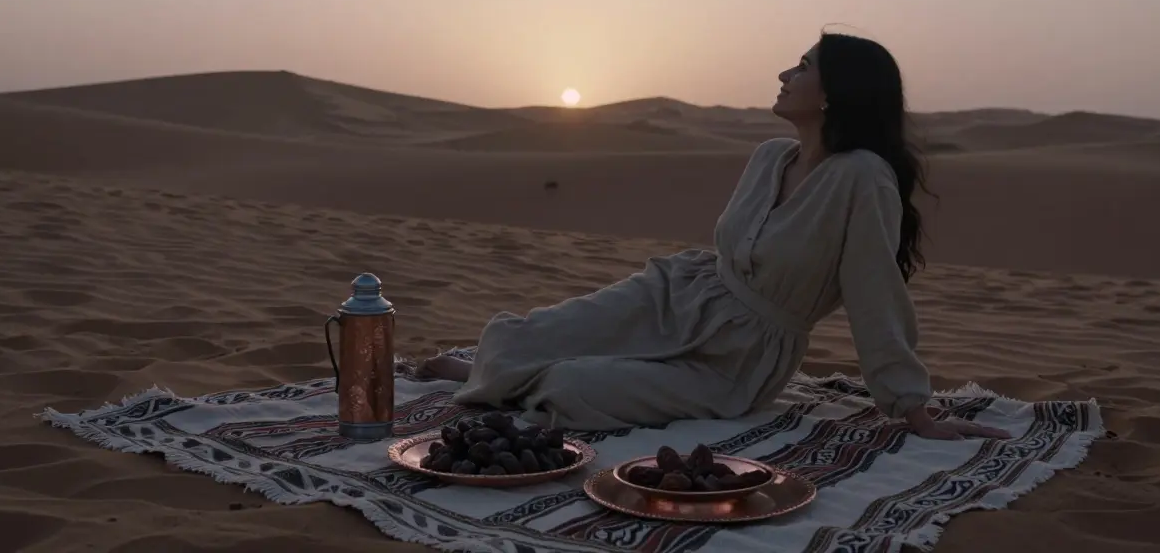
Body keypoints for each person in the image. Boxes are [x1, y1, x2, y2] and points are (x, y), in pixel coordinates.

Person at [417, 30, 1010, 441]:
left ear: (835, 91)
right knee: (524, 334)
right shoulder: (770, 155)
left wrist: (912, 409)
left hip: (741, 356)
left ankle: (511, 380)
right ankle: (493, 369)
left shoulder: (861, 178)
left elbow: (875, 293)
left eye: (803, 66)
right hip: (680, 291)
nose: (784, 74)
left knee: (573, 388)